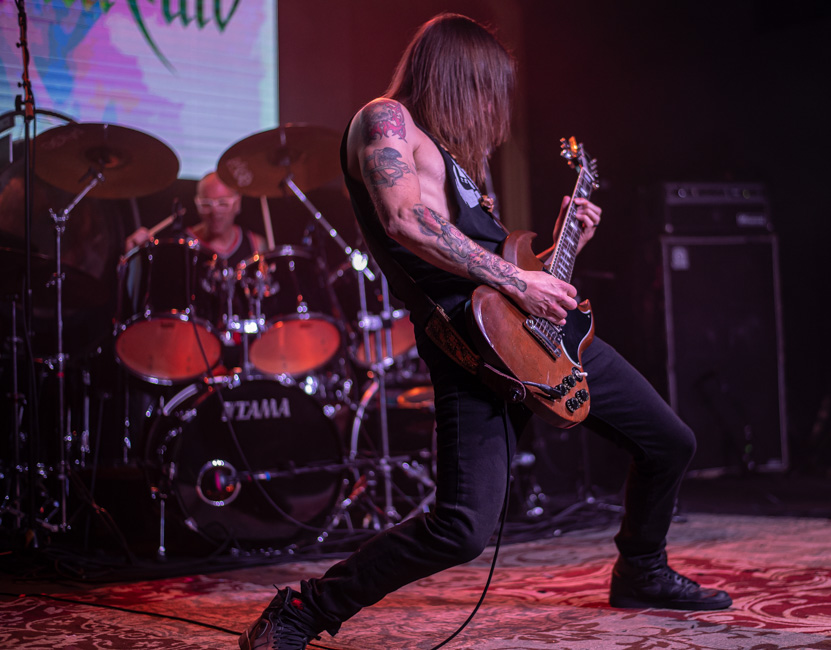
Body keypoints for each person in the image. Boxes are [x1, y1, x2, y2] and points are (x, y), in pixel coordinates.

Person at [240, 13, 731, 650]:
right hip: (468, 353)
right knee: (462, 529)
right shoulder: (385, 121)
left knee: (669, 441)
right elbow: (406, 221)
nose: (494, 110)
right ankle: (304, 608)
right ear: (458, 77)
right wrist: (520, 280)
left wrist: (562, 245)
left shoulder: (458, 165)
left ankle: (641, 569)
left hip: (538, 342)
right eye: (489, 90)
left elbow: (506, 267)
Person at [124, 171, 267, 265]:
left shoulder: (256, 245)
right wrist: (134, 256)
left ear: (238, 203)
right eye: (206, 204)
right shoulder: (181, 245)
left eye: (223, 203)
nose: (214, 211)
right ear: (196, 204)